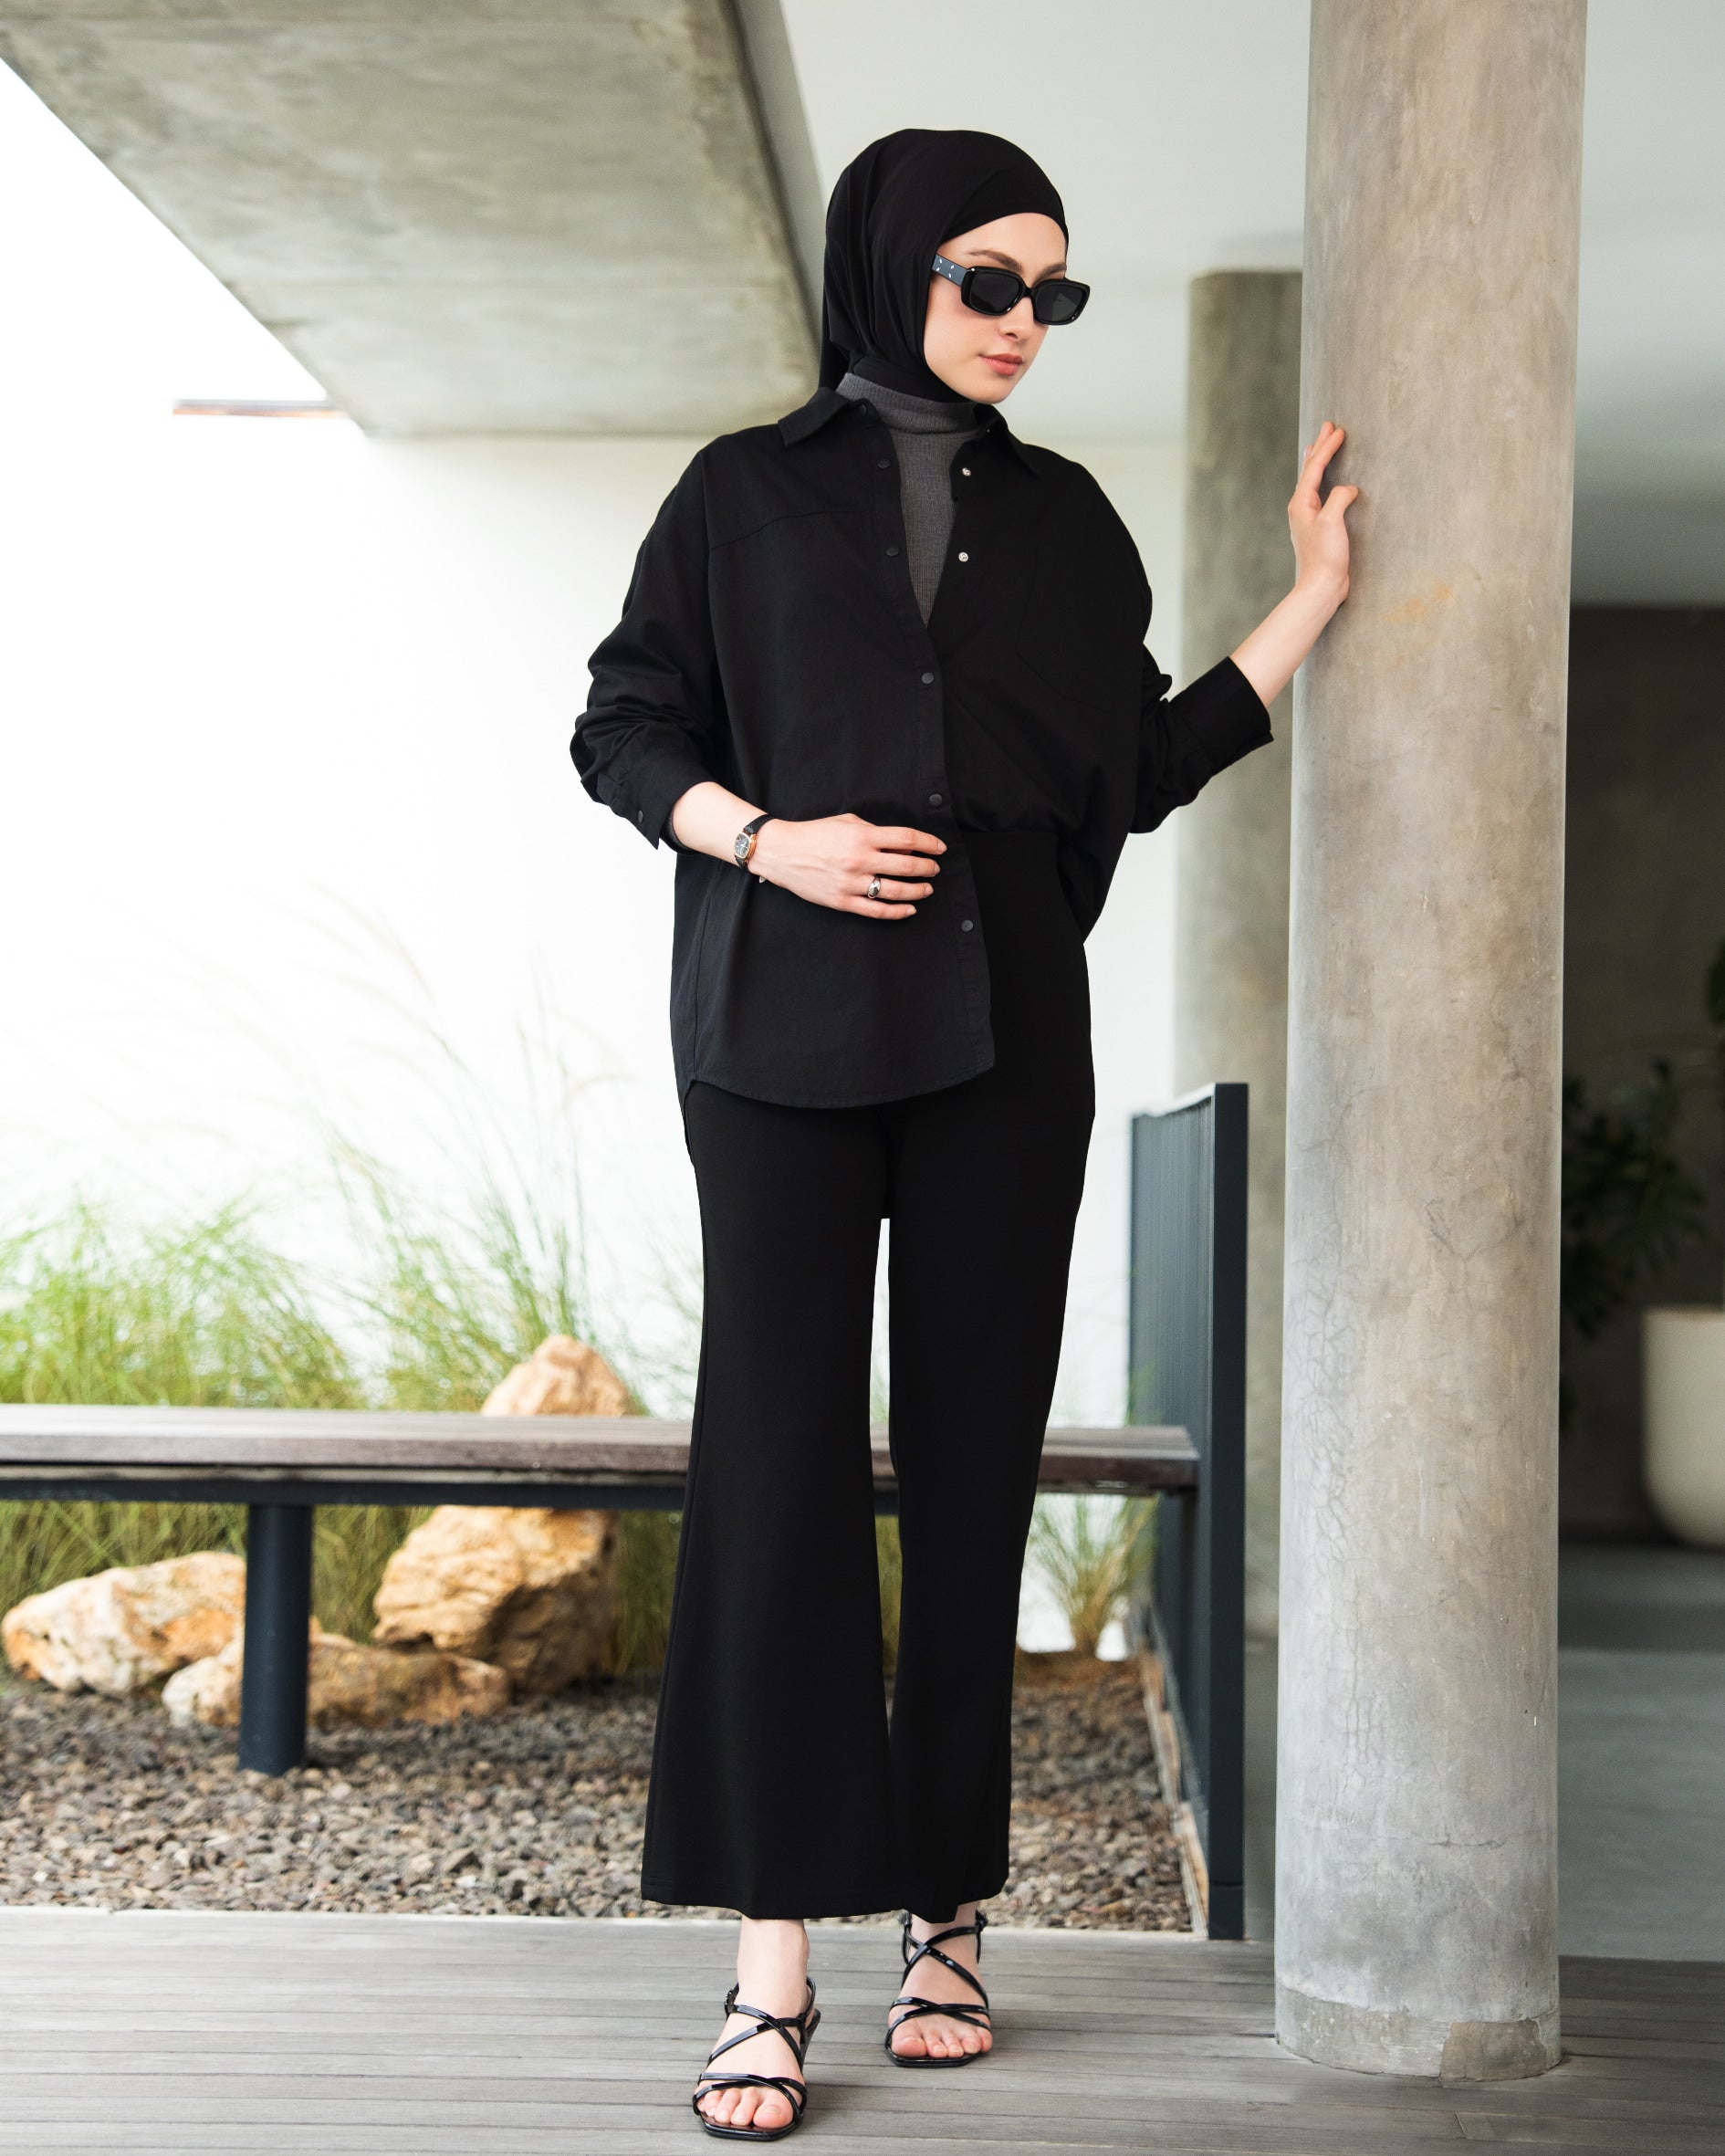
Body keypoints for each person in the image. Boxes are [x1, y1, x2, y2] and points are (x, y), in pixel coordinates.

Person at [571, 126, 1355, 2142]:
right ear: (892, 265)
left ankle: (948, 1911)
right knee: (775, 1466)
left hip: (1005, 1037)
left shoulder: (1074, 525)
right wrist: (772, 840)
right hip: (776, 1025)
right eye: (986, 280)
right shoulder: (738, 497)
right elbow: (622, 726)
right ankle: (771, 1958)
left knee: (977, 1460)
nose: (1024, 321)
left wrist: (1304, 606)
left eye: (1053, 292)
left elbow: (1136, 765)